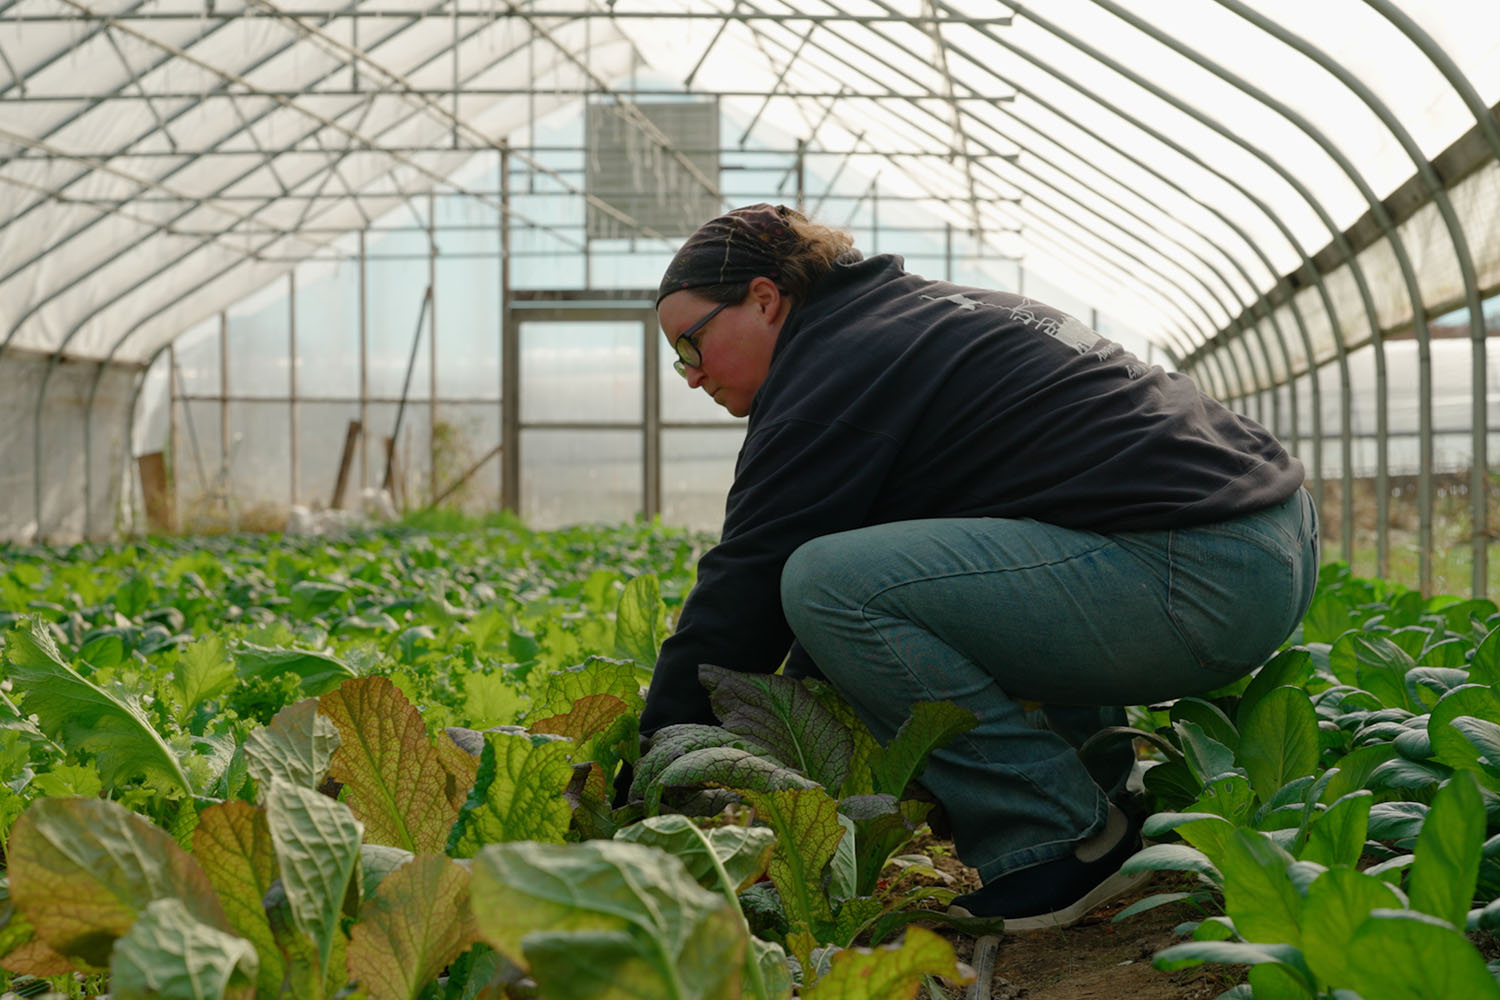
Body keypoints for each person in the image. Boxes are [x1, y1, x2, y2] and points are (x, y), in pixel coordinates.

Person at [639, 202, 1319, 930]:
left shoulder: (834, 365)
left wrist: (656, 752)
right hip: (1268, 539)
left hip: (1202, 576)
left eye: (690, 345)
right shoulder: (907, 318)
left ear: (765, 299)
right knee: (915, 561)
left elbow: (752, 578)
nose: (689, 374)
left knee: (822, 582)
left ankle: (1058, 840)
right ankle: (1098, 789)